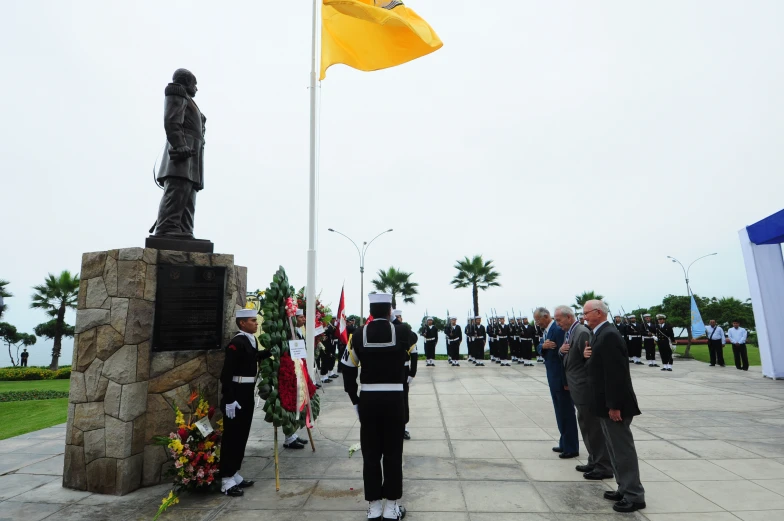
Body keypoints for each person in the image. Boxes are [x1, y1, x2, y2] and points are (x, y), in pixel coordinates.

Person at [341, 293, 409, 521]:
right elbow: (412, 349)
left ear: (371, 311)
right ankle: (392, 507)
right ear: (390, 311)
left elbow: (348, 369)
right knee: (393, 453)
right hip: (394, 400)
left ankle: (374, 507)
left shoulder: (357, 335)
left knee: (371, 454)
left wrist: (355, 400)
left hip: (369, 400)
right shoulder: (403, 332)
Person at [582, 300, 645, 513]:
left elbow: (616, 374)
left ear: (598, 313)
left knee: (622, 450)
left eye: (586, 313)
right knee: (613, 450)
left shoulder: (608, 335)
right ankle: (624, 488)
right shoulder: (600, 334)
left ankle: (634, 496)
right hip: (604, 404)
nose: (584, 317)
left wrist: (615, 406)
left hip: (615, 406)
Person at [555, 306, 613, 481]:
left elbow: (589, 361)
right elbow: (571, 357)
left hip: (584, 388)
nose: (558, 324)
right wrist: (560, 351)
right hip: (577, 387)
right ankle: (593, 460)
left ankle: (602, 465)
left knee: (593, 428)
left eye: (559, 320)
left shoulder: (581, 332)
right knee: (586, 426)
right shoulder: (572, 332)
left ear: (568, 317)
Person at [219, 309, 273, 496]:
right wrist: (230, 399)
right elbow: (226, 374)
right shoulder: (236, 342)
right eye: (252, 321)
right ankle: (226, 479)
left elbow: (253, 357)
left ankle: (234, 472)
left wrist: (269, 352)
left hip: (247, 392)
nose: (256, 324)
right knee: (232, 436)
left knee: (242, 434)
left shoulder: (251, 340)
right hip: (236, 392)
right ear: (242, 323)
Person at [151, 68, 207, 239]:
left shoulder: (189, 100)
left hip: (193, 154)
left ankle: (184, 229)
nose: (196, 88)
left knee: (188, 193)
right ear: (187, 82)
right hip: (182, 153)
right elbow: (172, 121)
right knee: (177, 190)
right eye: (195, 84)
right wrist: (179, 144)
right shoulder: (177, 93)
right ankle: (167, 227)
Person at [535, 307, 579, 458]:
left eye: (538, 319)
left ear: (546, 316)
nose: (537, 323)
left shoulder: (558, 329)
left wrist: (566, 381)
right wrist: (543, 346)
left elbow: (564, 358)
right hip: (553, 378)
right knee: (560, 412)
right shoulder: (548, 330)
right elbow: (540, 346)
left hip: (561, 380)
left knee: (566, 413)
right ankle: (564, 442)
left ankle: (571, 447)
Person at [283, 310, 310, 448]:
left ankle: (292, 434)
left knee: (297, 402)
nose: (304, 319)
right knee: (290, 403)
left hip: (298, 369)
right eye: (301, 317)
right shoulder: (290, 333)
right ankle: (288, 438)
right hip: (291, 371)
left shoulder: (299, 332)